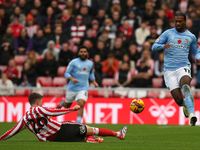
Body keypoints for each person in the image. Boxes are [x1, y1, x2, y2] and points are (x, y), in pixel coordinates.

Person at [0, 93, 127, 142]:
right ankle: (117, 134)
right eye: (42, 101)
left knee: (79, 133)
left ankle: (91, 140)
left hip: (49, 139)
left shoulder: (24, 119)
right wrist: (71, 109)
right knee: (88, 129)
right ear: (38, 102)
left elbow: (11, 132)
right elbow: (54, 112)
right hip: (60, 130)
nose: (43, 103)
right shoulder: (40, 108)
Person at [152, 12, 200, 126]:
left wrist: (198, 58)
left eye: (180, 21)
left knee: (186, 86)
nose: (178, 23)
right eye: (176, 21)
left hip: (184, 67)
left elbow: (196, 51)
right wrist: (162, 46)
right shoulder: (168, 34)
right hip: (169, 70)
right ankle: (184, 105)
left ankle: (192, 115)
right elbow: (154, 46)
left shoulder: (191, 37)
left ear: (185, 22)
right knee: (178, 100)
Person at [57, 46, 98, 123]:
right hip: (72, 88)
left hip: (83, 88)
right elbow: (66, 73)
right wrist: (72, 79)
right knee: (67, 105)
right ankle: (62, 103)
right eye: (81, 52)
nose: (83, 53)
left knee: (81, 104)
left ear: (87, 53)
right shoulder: (73, 62)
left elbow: (91, 73)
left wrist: (94, 81)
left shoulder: (90, 63)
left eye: (84, 52)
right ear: (78, 53)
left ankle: (78, 123)